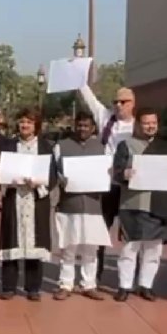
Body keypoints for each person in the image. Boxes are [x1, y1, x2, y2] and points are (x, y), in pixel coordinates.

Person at [112, 108, 167, 302]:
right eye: (146, 123)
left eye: (153, 123)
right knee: (130, 247)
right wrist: (123, 174)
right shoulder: (126, 145)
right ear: (138, 124)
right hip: (134, 202)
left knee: (153, 248)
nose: (150, 126)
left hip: (159, 202)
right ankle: (124, 286)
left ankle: (146, 286)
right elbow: (115, 172)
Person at [0, 108, 56, 301]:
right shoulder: (9, 145)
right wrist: (7, 181)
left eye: (29, 122)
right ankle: (8, 286)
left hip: (36, 199)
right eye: (22, 121)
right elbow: (0, 171)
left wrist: (38, 183)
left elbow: (52, 175)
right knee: (12, 238)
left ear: (36, 125)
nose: (25, 125)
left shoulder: (46, 147)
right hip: (14, 197)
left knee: (34, 242)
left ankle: (33, 287)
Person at [78, 83, 136, 279]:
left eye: (124, 101)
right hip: (107, 185)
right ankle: (94, 274)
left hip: (131, 186)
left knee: (130, 233)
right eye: (116, 101)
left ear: (132, 103)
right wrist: (80, 79)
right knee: (100, 230)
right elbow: (90, 100)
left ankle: (127, 280)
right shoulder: (106, 119)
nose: (119, 105)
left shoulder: (138, 126)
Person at [52, 111, 108, 301]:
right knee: (68, 247)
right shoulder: (62, 146)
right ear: (75, 126)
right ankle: (65, 284)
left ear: (93, 128)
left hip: (93, 205)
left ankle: (89, 284)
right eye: (80, 125)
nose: (82, 129)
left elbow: (108, 172)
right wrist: (60, 179)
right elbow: (54, 172)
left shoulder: (102, 148)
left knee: (91, 248)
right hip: (69, 204)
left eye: (86, 126)